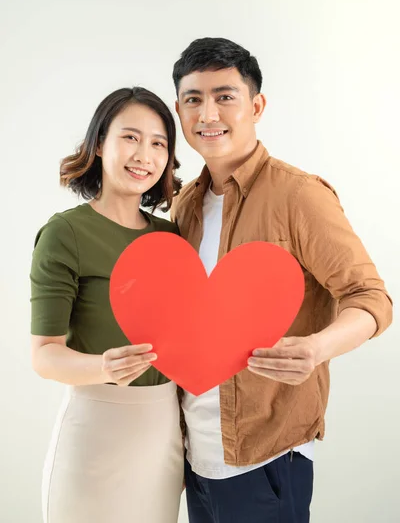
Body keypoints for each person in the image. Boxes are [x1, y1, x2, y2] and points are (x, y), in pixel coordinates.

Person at [171, 38, 393, 523]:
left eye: (225, 96)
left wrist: (317, 347)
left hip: (268, 456)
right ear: (179, 110)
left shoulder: (299, 196)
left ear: (256, 105)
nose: (208, 112)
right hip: (196, 455)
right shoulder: (184, 205)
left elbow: (371, 299)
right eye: (193, 99)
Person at [30, 87, 184, 523]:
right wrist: (105, 367)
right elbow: (44, 354)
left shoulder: (172, 238)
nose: (145, 155)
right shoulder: (66, 234)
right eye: (130, 138)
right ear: (99, 144)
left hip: (164, 440)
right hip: (93, 439)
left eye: (159, 143)